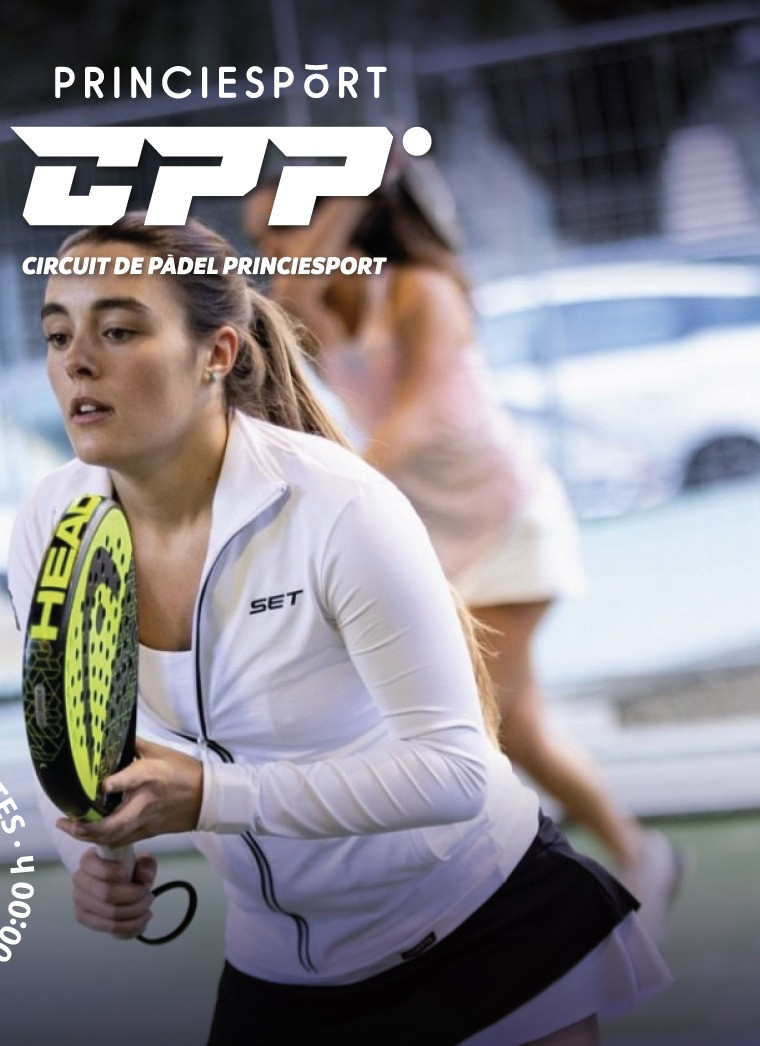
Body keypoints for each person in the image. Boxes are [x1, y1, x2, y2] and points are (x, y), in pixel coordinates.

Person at [7, 213, 669, 1046]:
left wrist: (214, 794)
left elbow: (455, 771)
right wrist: (95, 859)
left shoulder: (338, 506)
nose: (77, 362)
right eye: (58, 335)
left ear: (217, 355)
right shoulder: (50, 522)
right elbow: (64, 730)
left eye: (120, 330)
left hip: (484, 934)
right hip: (279, 976)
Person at [242, 165, 685, 943]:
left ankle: (537, 891)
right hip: (438, 538)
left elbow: (417, 420)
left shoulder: (423, 290)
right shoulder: (308, 303)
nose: (272, 248)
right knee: (517, 730)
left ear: (335, 218)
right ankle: (640, 855)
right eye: (260, 237)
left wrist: (350, 198)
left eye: (284, 226)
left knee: (478, 733)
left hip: (509, 524)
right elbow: (294, 316)